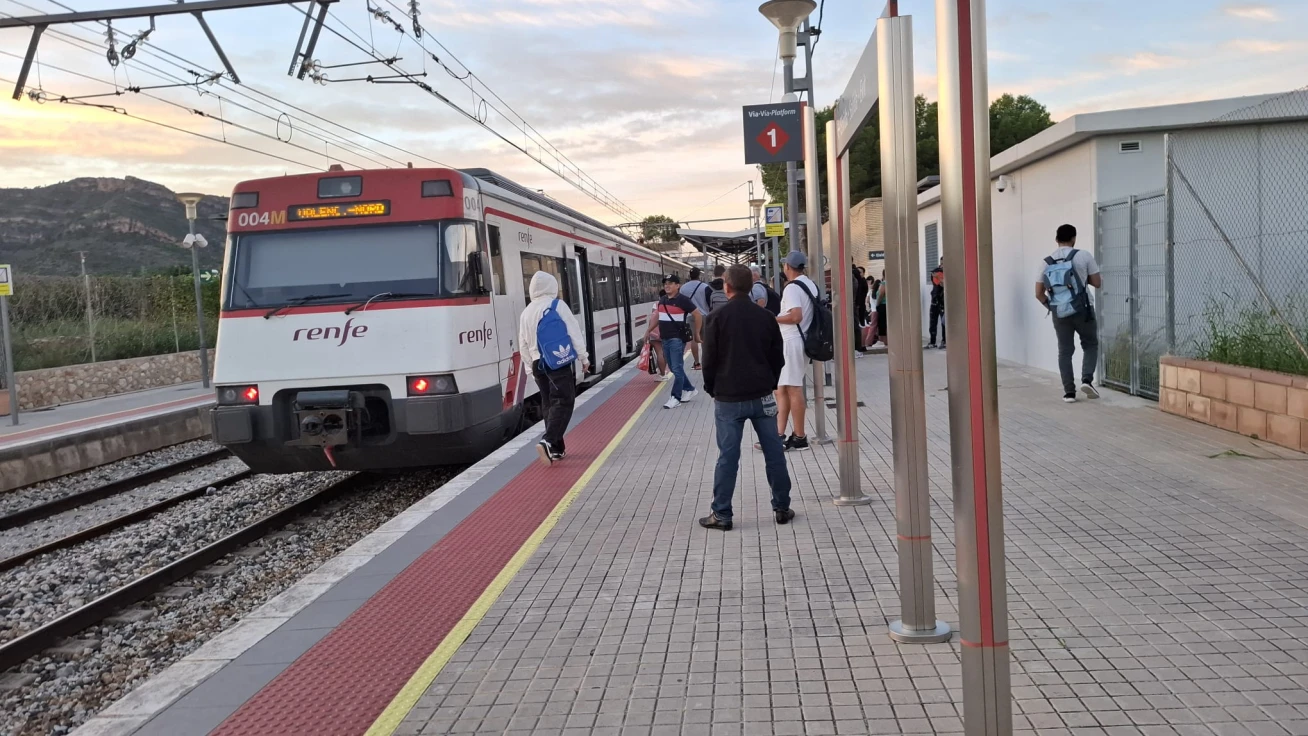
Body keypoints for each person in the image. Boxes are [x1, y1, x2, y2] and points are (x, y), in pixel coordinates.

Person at [699, 265, 794, 531]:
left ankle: (722, 514)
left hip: (728, 398)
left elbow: (709, 361)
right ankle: (782, 507)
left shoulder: (715, 318)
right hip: (763, 396)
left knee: (728, 456)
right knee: (774, 451)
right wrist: (770, 383)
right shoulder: (766, 317)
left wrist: (711, 388)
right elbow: (778, 357)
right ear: (752, 287)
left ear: (726, 286)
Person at [519, 271, 589, 465]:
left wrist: (528, 369)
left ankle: (557, 449)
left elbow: (522, 344)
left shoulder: (526, 312)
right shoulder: (557, 305)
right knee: (564, 401)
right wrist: (583, 357)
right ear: (551, 287)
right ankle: (548, 441)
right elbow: (573, 332)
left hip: (537, 364)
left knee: (549, 403)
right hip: (556, 362)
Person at [1037, 224, 1102, 402]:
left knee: (1065, 351)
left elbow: (1038, 293)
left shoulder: (1046, 262)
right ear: (1074, 238)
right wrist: (1081, 278)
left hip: (1059, 311)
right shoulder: (1083, 255)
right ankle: (1087, 380)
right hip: (1083, 308)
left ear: (1056, 240)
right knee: (1090, 344)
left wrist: (1052, 307)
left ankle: (1069, 393)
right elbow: (1097, 282)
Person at [773, 250, 817, 451]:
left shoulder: (791, 288)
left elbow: (795, 316)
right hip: (800, 340)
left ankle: (800, 436)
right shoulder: (810, 284)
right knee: (782, 388)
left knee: (793, 388)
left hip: (792, 341)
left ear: (787, 267)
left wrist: (772, 319)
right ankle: (778, 434)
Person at [646, 274, 701, 409]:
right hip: (664, 338)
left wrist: (697, 332)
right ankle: (690, 389)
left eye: (671, 283)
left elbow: (697, 314)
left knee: (676, 368)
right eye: (665, 283)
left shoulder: (683, 300)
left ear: (678, 286)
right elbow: (659, 316)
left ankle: (675, 397)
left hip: (677, 338)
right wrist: (649, 330)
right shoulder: (663, 300)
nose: (667, 285)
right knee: (674, 367)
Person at [679, 267, 710, 369]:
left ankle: (696, 363)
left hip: (690, 316)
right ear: (699, 275)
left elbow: (681, 303)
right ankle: (706, 362)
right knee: (705, 340)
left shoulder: (683, 288)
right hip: (704, 315)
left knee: (693, 340)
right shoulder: (705, 287)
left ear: (689, 275)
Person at [927, 260, 946, 349]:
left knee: (944, 323)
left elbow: (944, 284)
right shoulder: (937, 271)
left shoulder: (947, 273)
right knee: (933, 322)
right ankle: (932, 341)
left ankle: (944, 341)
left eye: (943, 263)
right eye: (941, 263)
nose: (941, 265)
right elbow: (935, 284)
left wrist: (939, 277)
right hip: (935, 299)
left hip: (943, 301)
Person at [852, 264, 868, 354]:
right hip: (858, 305)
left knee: (859, 325)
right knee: (859, 325)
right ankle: (860, 345)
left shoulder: (861, 281)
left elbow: (859, 294)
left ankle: (859, 346)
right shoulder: (860, 280)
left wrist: (857, 303)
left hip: (858, 305)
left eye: (860, 272)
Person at [875, 276, 889, 346]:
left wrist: (877, 304)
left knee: (882, 324)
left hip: (883, 305)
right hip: (889, 305)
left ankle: (882, 341)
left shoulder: (884, 283)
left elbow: (880, 294)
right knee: (887, 324)